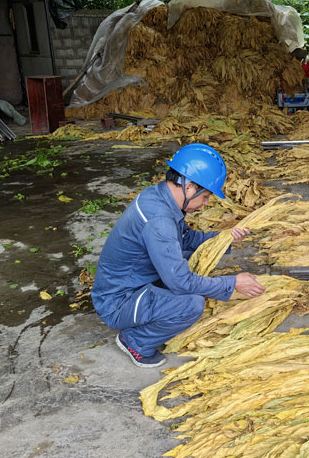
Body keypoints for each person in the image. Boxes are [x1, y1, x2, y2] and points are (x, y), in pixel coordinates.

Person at [91, 143, 266, 368]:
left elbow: (187, 239)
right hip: (117, 301)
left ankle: (151, 315)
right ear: (190, 187)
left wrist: (225, 238)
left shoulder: (160, 198)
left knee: (188, 257)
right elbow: (181, 282)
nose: (206, 204)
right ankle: (135, 341)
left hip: (131, 283)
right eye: (206, 197)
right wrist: (233, 283)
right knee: (192, 304)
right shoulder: (159, 221)